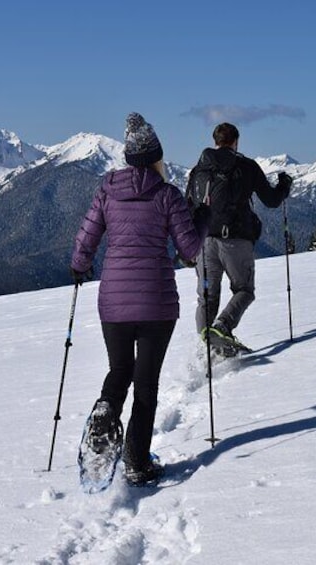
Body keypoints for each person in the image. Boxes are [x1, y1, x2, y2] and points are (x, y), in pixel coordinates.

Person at [70, 112, 209, 486]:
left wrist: (79, 266)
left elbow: (87, 237)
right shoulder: (168, 196)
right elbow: (191, 251)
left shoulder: (107, 191)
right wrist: (203, 220)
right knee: (146, 383)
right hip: (156, 303)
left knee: (120, 371)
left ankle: (105, 409)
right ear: (156, 157)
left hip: (113, 301)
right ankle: (136, 462)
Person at [187, 122, 292, 355]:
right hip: (235, 241)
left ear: (215, 141)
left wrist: (188, 247)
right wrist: (284, 186)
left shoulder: (199, 170)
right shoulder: (246, 166)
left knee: (207, 298)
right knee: (244, 290)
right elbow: (272, 200)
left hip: (204, 243)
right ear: (236, 141)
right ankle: (222, 327)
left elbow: (188, 208)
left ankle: (208, 347)